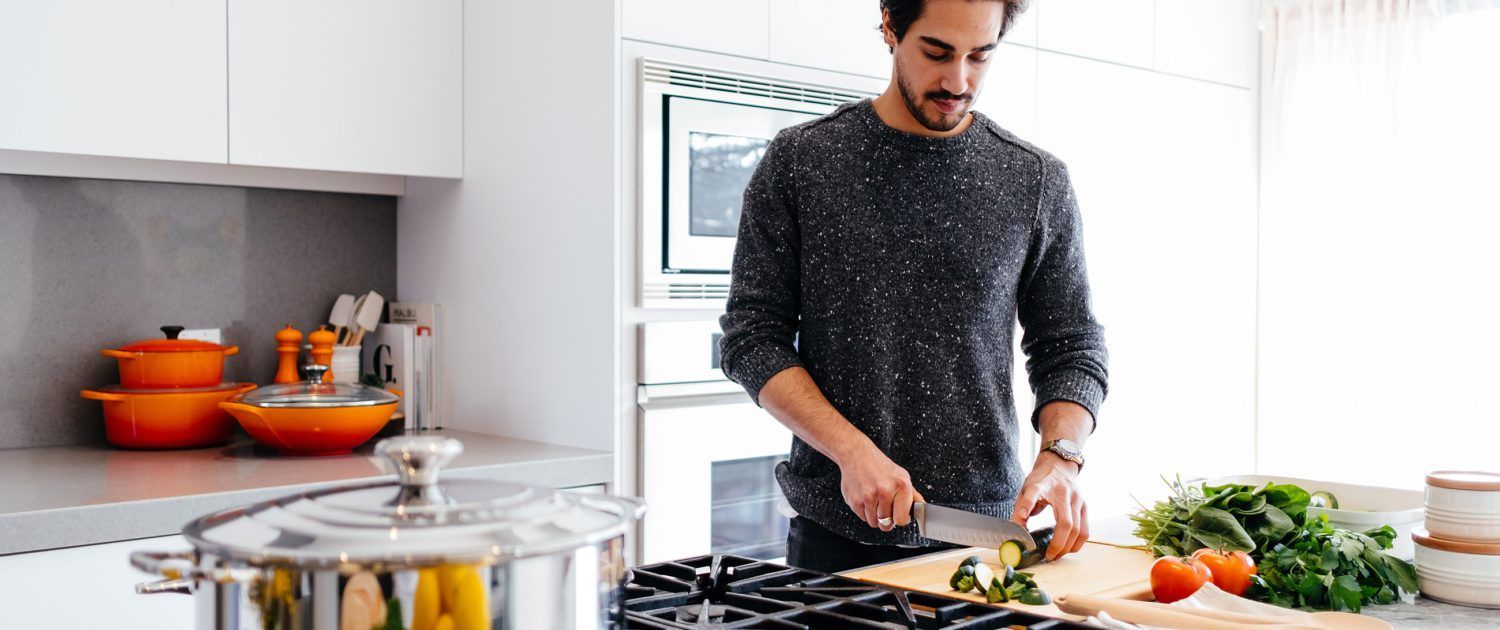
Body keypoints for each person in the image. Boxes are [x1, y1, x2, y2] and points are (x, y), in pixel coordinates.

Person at [717, 0, 1109, 574]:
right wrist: (850, 451)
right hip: (836, 546)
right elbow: (751, 338)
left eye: (981, 55)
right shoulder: (802, 162)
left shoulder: (1036, 180)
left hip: (988, 540)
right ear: (890, 26)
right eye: (937, 52)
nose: (959, 80)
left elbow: (1071, 345)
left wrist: (1061, 455)